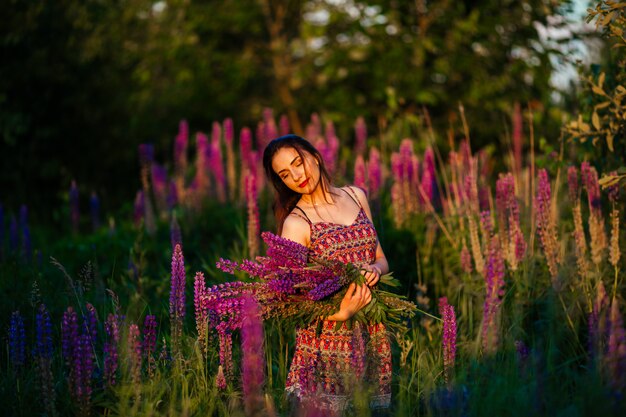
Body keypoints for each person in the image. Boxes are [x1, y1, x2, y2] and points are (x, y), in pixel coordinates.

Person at [262, 134, 392, 415]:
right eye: (285, 174)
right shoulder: (297, 222)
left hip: (372, 332)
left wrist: (374, 270)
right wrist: (341, 313)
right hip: (328, 343)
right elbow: (288, 299)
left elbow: (381, 258)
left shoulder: (356, 196)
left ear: (315, 156)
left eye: (298, 162)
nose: (297, 175)